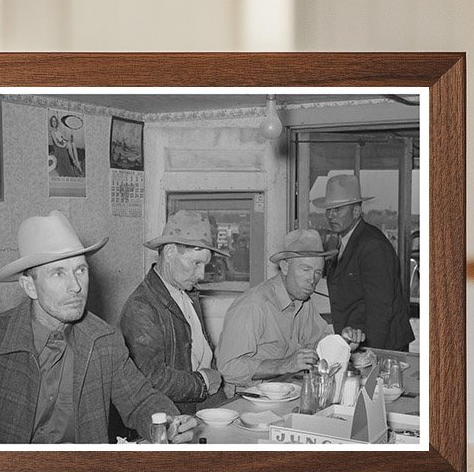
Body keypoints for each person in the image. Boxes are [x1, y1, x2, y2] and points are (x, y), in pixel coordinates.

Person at [0, 210, 197, 444]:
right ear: (29, 286)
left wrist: (169, 423)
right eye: (58, 273)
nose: (75, 286)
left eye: (80, 270)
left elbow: (140, 400)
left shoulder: (105, 340)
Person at [216, 229, 364, 387]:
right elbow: (228, 369)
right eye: (305, 270)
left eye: (318, 272)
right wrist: (285, 365)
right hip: (247, 398)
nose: (312, 280)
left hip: (287, 392)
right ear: (285, 267)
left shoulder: (303, 302)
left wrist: (343, 344)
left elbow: (320, 345)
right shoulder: (253, 306)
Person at [119, 211, 226, 416]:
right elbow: (148, 378)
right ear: (169, 252)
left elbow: (198, 351)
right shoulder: (141, 307)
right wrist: (202, 383)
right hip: (173, 414)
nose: (201, 274)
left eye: (205, 265)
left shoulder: (186, 293)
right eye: (196, 263)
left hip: (203, 401)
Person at [314, 174, 415, 352]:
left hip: (382, 345)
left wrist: (372, 355)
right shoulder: (344, 240)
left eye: (338, 209)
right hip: (357, 342)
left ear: (356, 211)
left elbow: (381, 310)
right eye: (329, 210)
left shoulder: (372, 245)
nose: (331, 215)